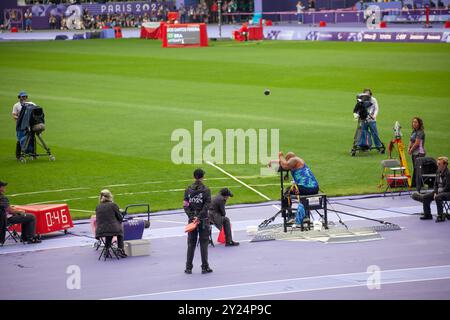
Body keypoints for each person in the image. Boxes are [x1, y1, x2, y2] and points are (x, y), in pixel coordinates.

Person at [184, 168, 212, 274]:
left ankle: (188, 267)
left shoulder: (188, 189)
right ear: (203, 177)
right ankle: (205, 267)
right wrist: (199, 217)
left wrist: (192, 217)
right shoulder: (206, 190)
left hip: (192, 221)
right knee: (204, 244)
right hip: (203, 221)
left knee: (191, 243)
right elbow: (206, 206)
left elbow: (185, 205)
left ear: (194, 176)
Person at [278, 151, 319, 226]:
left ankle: (290, 216)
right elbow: (284, 164)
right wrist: (273, 161)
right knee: (296, 190)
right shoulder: (298, 161)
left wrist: (280, 156)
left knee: (287, 192)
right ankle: (305, 215)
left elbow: (285, 165)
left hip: (306, 188)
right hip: (315, 188)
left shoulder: (294, 160)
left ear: (289, 159)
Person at [0, 181, 41, 245]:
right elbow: (10, 210)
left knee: (24, 216)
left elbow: (6, 208)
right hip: (5, 220)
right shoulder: (2, 198)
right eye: (3, 186)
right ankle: (30, 237)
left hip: (3, 219)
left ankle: (25, 237)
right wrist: (20, 211)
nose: (5, 188)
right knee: (31, 217)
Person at [412, 157, 450, 222]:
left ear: (445, 164)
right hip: (438, 192)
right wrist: (435, 192)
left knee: (438, 197)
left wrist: (438, 193)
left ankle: (440, 216)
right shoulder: (438, 172)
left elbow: (447, 187)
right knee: (426, 197)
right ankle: (427, 215)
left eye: (439, 164)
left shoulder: (448, 174)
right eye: (437, 163)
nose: (437, 165)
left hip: (447, 192)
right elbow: (435, 184)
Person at [95, 189, 127, 257]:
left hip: (99, 231)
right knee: (119, 232)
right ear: (110, 196)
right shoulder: (113, 205)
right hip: (112, 230)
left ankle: (106, 250)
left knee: (108, 231)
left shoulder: (98, 206)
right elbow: (120, 218)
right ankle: (120, 250)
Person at [12, 91, 36, 160]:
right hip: (20, 125)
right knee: (20, 140)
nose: (24, 98)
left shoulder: (31, 104)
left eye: (25, 96)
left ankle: (33, 154)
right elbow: (14, 115)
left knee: (31, 138)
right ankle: (18, 155)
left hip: (29, 125)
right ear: (19, 97)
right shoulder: (16, 105)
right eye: (22, 96)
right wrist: (20, 118)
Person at [363, 88, 385, 153]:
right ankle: (366, 147)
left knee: (375, 134)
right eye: (365, 94)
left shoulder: (373, 100)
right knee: (364, 133)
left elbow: (376, 109)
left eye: (368, 94)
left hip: (372, 120)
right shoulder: (362, 100)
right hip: (364, 120)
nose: (367, 95)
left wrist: (374, 116)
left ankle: (378, 147)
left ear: (370, 94)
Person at [408, 117, 426, 188]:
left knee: (417, 169)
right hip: (414, 153)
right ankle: (417, 184)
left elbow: (417, 143)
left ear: (419, 123)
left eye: (416, 122)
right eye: (413, 122)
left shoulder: (420, 132)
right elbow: (411, 141)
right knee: (415, 168)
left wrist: (411, 150)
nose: (414, 124)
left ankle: (417, 184)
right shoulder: (414, 132)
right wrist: (408, 148)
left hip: (419, 153)